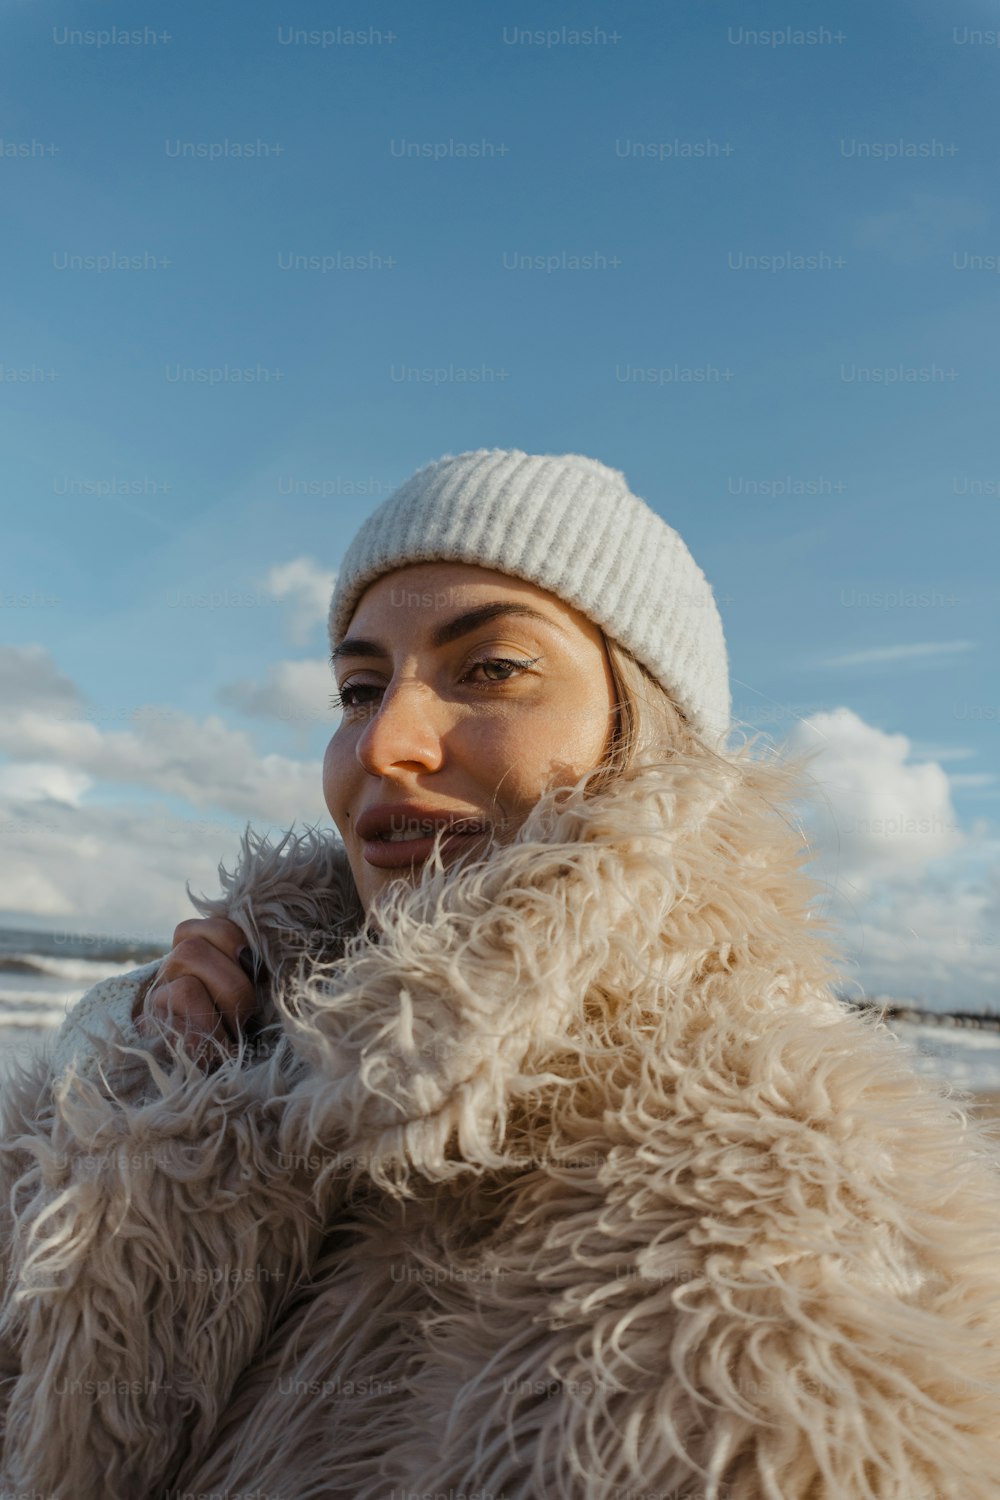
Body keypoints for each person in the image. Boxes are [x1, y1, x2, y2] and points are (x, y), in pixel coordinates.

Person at [1, 448, 999, 1500]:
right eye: (357, 686)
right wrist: (139, 1100)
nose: (387, 739)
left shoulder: (765, 1227)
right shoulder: (241, 1061)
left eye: (490, 670)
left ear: (642, 738)